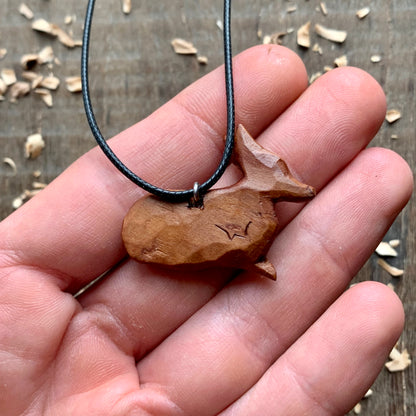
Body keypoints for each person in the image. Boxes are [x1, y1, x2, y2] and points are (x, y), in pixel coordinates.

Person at [0, 45, 412, 415]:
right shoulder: (236, 208)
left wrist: (252, 257)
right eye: (280, 178)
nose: (294, 189)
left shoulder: (253, 208)